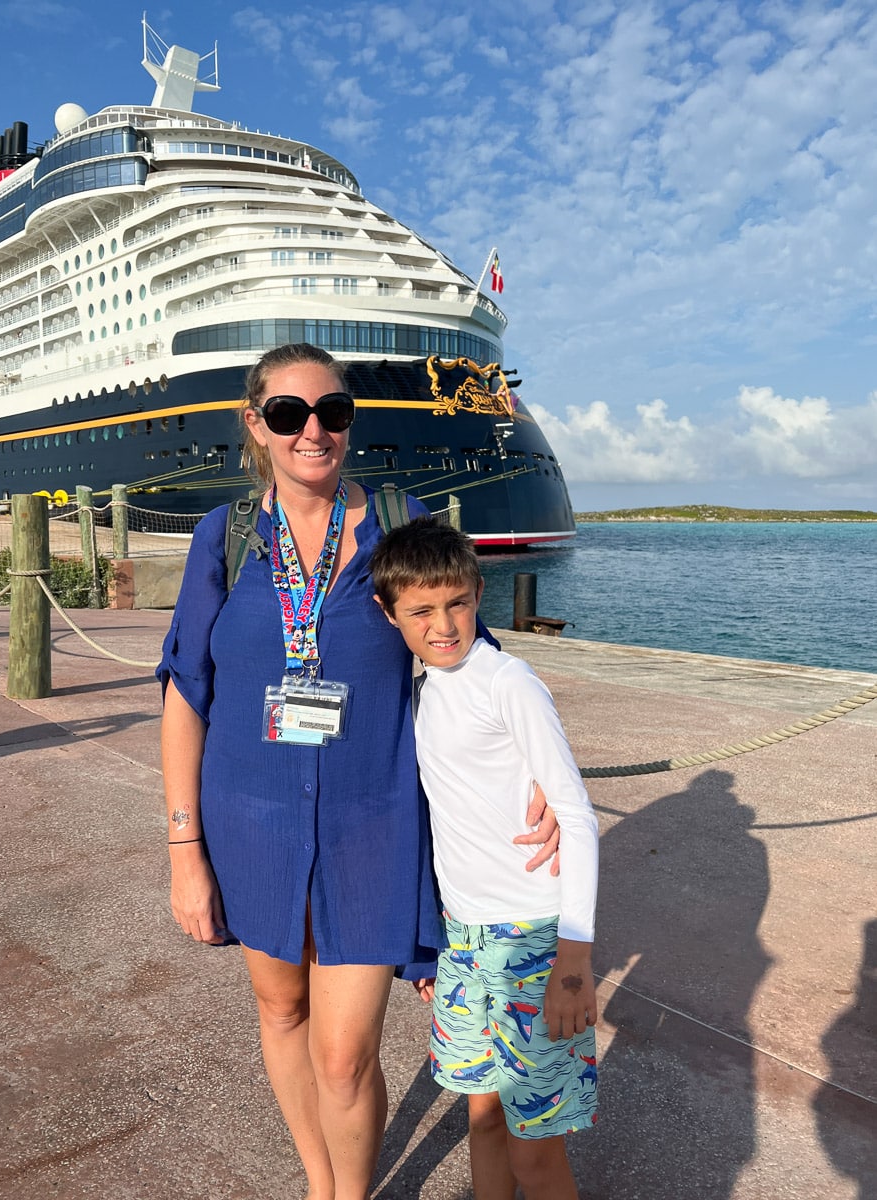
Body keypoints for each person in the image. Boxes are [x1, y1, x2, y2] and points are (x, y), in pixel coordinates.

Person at [158, 342, 560, 1200]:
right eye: (289, 414)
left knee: (344, 1054)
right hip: (250, 823)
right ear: (255, 426)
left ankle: (351, 1190)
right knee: (281, 1013)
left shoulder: (393, 517)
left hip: (371, 826)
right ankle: (322, 1185)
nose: (313, 431)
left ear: (349, 423)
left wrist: (539, 772)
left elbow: (467, 653)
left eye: (332, 413)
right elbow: (187, 692)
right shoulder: (223, 538)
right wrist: (184, 847)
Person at [371, 516, 599, 1200]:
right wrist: (435, 945)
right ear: (390, 615)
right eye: (422, 611)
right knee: (484, 1119)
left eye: (458, 603)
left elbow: (578, 815)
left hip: (532, 934)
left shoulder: (509, 681)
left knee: (538, 1149)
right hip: (464, 938)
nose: (443, 624)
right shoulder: (421, 690)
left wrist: (575, 959)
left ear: (477, 595)